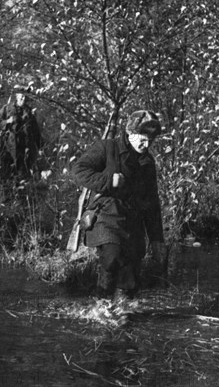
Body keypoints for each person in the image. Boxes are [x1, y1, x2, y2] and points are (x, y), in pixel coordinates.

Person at [72, 110, 167, 300]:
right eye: (142, 138)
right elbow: (78, 171)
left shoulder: (148, 163)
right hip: (106, 215)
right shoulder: (107, 148)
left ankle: (124, 314)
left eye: (151, 140)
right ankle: (102, 307)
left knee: (130, 275)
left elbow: (152, 203)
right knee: (111, 257)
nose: (146, 144)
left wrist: (157, 239)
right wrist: (109, 180)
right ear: (130, 133)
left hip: (133, 221)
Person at [0, 85, 42, 180]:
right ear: (16, 96)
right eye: (21, 96)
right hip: (8, 149)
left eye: (25, 96)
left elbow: (36, 131)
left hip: (24, 151)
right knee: (6, 176)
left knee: (22, 177)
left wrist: (39, 148)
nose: (23, 98)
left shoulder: (29, 112)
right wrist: (8, 121)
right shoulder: (6, 109)